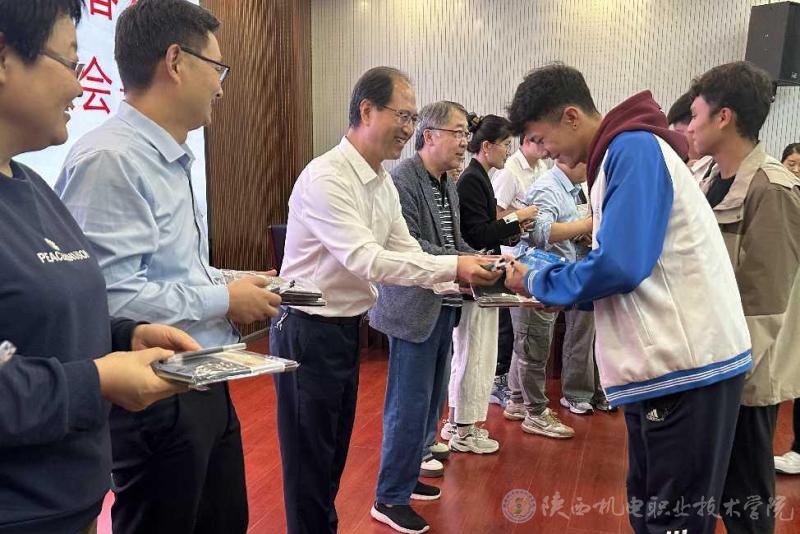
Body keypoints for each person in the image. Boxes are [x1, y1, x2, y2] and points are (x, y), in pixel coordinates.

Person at [56, 2, 282, 533]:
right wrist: (225, 300)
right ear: (176, 61)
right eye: (217, 68)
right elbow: (110, 298)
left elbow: (171, 270)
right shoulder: (112, 159)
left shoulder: (171, 155)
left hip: (204, 374)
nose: (221, 87)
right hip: (155, 391)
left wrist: (232, 282)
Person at [504, 63, 751, 534]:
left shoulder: (631, 148)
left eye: (541, 138)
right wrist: (560, 292)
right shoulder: (621, 151)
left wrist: (539, 281)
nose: (544, 151)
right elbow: (631, 269)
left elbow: (621, 265)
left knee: (670, 520)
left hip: (685, 368)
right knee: (652, 510)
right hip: (674, 366)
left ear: (571, 116)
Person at [269, 66, 499, 534]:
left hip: (343, 329)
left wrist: (460, 271)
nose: (410, 129)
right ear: (367, 110)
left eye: (414, 118)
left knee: (333, 452)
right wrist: (455, 267)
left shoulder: (380, 181)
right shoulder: (327, 177)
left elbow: (406, 249)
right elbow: (367, 259)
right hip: (307, 330)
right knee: (310, 461)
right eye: (404, 116)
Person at [0, 1, 198, 532]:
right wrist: (96, 381)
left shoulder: (31, 187)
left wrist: (124, 335)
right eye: (69, 63)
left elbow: (38, 323)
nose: (79, 86)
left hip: (76, 498)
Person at [687, 61, 800, 534]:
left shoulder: (772, 189)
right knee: (708, 487)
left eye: (696, 115)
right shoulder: (705, 175)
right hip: (708, 361)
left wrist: (728, 378)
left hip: (744, 374)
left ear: (724, 117)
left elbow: (767, 303)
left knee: (745, 494)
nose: (689, 126)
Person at [368, 100, 476, 533]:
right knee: (407, 406)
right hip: (412, 308)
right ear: (429, 135)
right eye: (458, 132)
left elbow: (452, 242)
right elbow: (410, 248)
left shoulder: (448, 182)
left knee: (430, 404)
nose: (464, 142)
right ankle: (389, 498)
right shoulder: (403, 180)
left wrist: (481, 259)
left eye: (466, 134)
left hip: (444, 304)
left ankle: (408, 476)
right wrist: (462, 264)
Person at [441, 114, 538, 454]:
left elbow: (486, 230)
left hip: (481, 273)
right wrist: (516, 217)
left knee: (477, 352)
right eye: (506, 145)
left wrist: (514, 226)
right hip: (474, 277)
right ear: (487, 146)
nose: (508, 151)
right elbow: (478, 234)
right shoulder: (472, 180)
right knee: (474, 353)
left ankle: (460, 422)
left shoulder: (480, 177)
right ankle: (463, 428)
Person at [489, 134, 548, 407]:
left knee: (520, 331)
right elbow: (495, 215)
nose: (546, 146)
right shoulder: (509, 171)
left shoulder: (542, 168)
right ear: (526, 140)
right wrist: (523, 215)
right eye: (540, 140)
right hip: (510, 256)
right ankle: (498, 382)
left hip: (531, 256)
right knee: (508, 328)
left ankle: (511, 386)